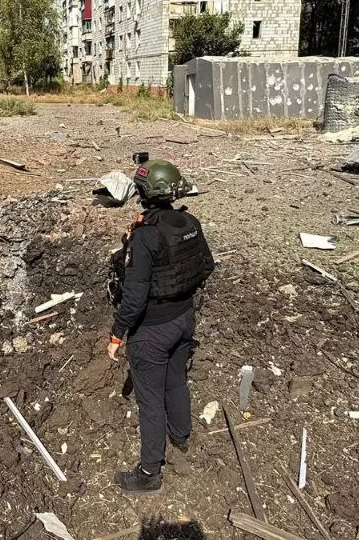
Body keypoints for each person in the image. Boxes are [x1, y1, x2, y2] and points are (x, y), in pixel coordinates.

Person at [106, 158, 215, 495]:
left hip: (152, 330)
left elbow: (135, 296)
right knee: (176, 381)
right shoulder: (190, 221)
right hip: (184, 320)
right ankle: (181, 436)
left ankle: (149, 473)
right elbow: (207, 266)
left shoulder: (145, 235)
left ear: (143, 193)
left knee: (150, 402)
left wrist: (117, 334)